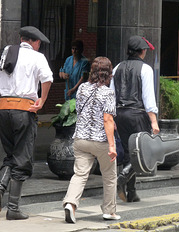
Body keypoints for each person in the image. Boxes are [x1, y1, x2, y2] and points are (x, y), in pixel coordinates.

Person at [0, 26, 53, 220]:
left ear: (21, 39)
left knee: (11, 154)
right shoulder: (37, 57)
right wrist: (41, 101)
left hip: (2, 109)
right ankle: (14, 208)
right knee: (22, 158)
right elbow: (48, 78)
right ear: (35, 42)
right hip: (23, 111)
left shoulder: (5, 54)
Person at [63, 57, 120, 224]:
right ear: (109, 74)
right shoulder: (108, 92)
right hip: (100, 140)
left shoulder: (81, 88)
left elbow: (80, 111)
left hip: (81, 138)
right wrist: (111, 145)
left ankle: (70, 204)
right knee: (109, 176)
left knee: (80, 174)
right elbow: (107, 119)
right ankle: (109, 211)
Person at [110, 35, 160, 203]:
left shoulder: (117, 68)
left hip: (119, 114)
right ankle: (121, 179)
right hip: (137, 114)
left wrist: (112, 117)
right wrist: (153, 120)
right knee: (142, 152)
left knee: (127, 152)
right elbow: (148, 97)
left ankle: (132, 192)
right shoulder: (145, 69)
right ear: (143, 52)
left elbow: (112, 94)